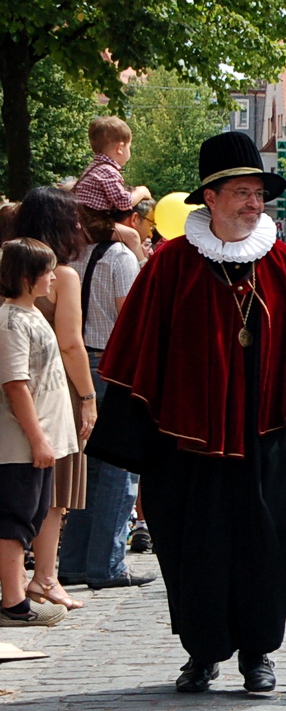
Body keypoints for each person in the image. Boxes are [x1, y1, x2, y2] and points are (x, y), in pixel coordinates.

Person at [87, 130, 286, 694]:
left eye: (260, 194)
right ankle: (201, 652)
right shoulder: (170, 266)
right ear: (211, 197)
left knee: (270, 539)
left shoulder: (283, 264)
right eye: (243, 194)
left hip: (266, 433)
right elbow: (139, 352)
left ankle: (258, 652)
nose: (255, 204)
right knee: (190, 543)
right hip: (186, 437)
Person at [58, 200, 151, 592]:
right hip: (113, 364)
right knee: (121, 467)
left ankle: (74, 561)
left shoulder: (72, 255)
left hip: (78, 363)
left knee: (88, 468)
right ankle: (107, 564)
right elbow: (131, 318)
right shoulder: (119, 258)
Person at [13, 189, 97, 611]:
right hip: (50, 388)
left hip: (12, 384)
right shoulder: (61, 274)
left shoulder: (9, 265)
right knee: (56, 488)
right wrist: (87, 396)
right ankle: (45, 576)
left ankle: (20, 577)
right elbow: (71, 344)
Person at [0, 239, 78, 628]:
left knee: (29, 516)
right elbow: (15, 384)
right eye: (47, 271)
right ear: (27, 276)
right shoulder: (11, 320)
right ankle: (13, 604)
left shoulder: (28, 316)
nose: (53, 278)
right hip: (19, 444)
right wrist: (37, 439)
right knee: (14, 520)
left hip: (38, 440)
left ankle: (21, 597)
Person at [72, 116, 149, 218]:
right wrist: (141, 192)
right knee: (130, 234)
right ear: (120, 148)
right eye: (129, 147)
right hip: (92, 222)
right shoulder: (108, 171)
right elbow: (123, 203)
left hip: (82, 219)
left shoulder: (94, 167)